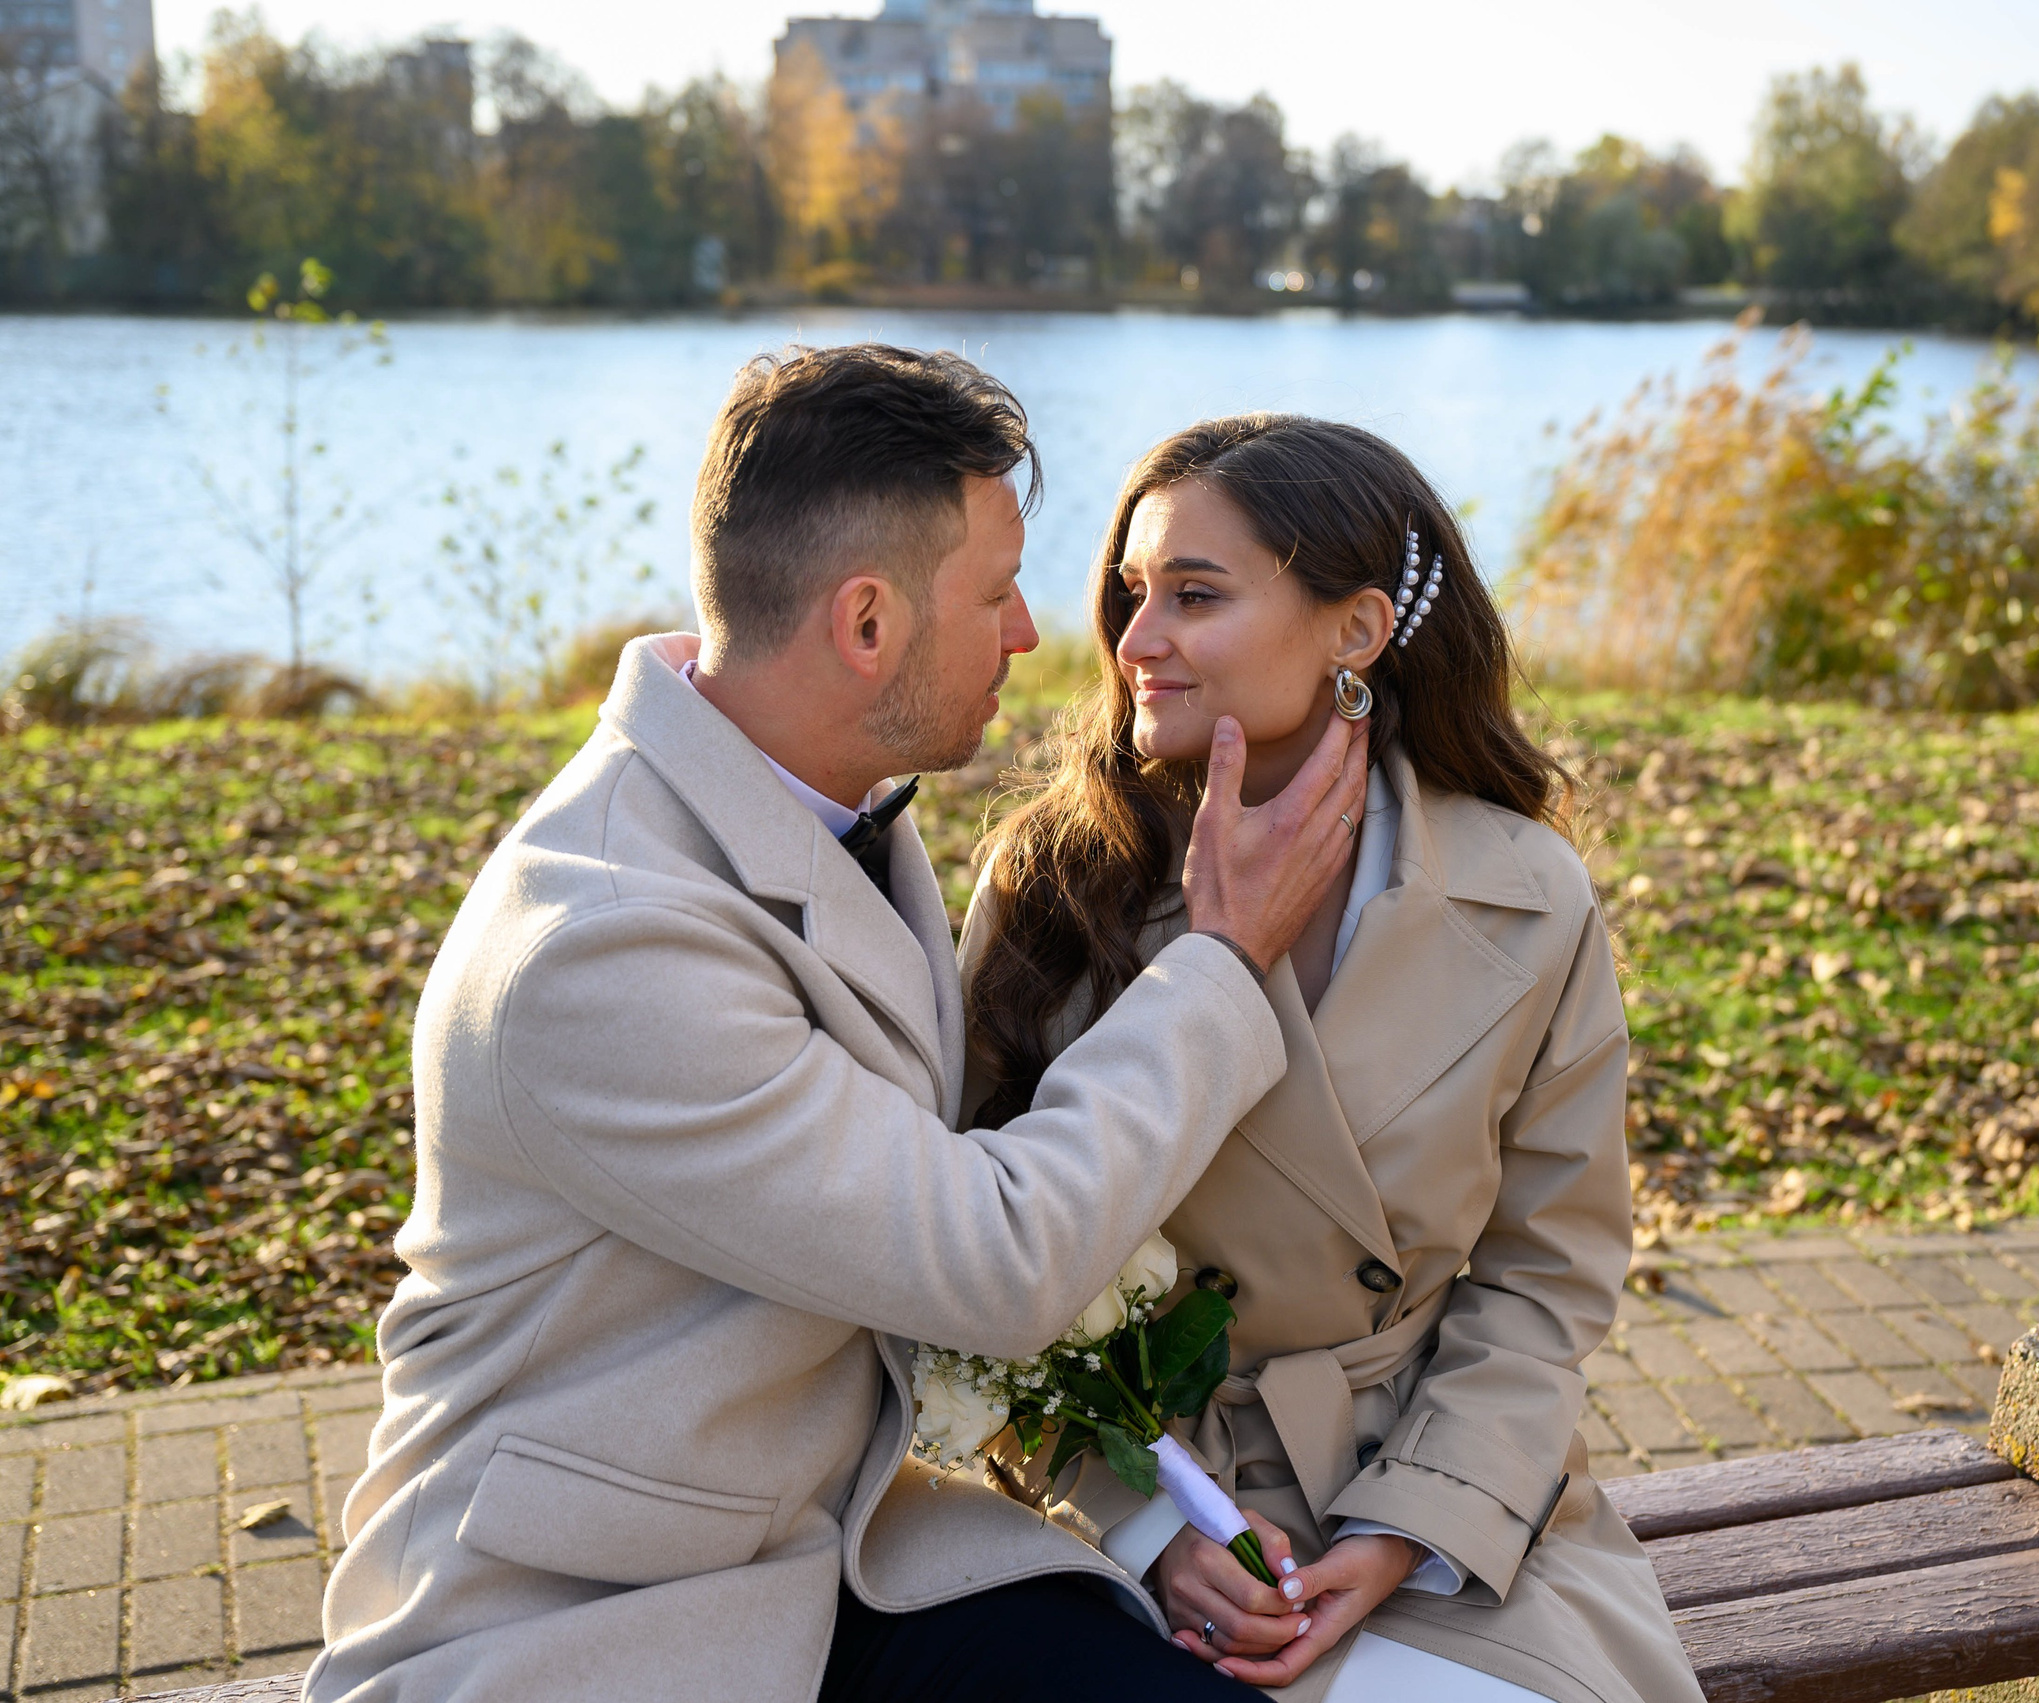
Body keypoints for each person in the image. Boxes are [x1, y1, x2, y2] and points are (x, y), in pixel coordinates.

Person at [308, 348, 1368, 1703]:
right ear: (868, 624)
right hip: (595, 1616)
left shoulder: (808, 797)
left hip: (836, 1557)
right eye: (995, 592)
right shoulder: (601, 949)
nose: (1037, 633)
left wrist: (1148, 1508)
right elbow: (993, 1256)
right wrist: (1220, 957)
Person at [959, 415, 1695, 1703]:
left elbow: (1547, 1271)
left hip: (1428, 1493)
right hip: (1129, 1511)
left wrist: (1411, 1528)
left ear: (1354, 631)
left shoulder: (1528, 896)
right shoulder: (1054, 891)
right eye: (1132, 598)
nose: (1135, 645)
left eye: (1195, 596)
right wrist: (1145, 1525)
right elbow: (966, 1258)